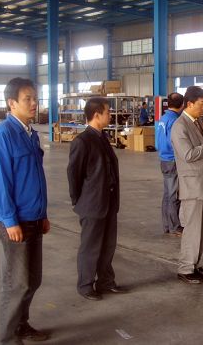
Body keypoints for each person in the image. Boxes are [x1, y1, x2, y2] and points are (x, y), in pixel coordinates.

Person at [0, 77, 50, 344]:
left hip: (34, 218)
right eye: (27, 99)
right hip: (15, 222)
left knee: (32, 280)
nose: (34, 103)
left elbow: (34, 179)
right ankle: (8, 339)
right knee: (16, 284)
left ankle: (21, 325)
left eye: (35, 98)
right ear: (11, 103)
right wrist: (9, 220)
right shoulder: (3, 134)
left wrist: (43, 214)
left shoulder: (30, 134)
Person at [67, 97, 125, 301]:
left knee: (108, 245)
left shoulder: (102, 137)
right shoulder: (82, 141)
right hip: (92, 203)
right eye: (108, 112)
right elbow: (74, 174)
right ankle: (85, 285)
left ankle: (106, 281)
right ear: (97, 115)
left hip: (108, 201)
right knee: (90, 247)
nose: (111, 115)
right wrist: (78, 200)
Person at [171, 86, 203, 284]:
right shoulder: (179, 126)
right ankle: (185, 268)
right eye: (202, 103)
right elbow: (188, 155)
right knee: (192, 228)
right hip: (192, 185)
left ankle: (194, 264)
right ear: (190, 103)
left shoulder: (196, 122)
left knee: (202, 229)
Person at [155, 92, 185, 236]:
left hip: (164, 159)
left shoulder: (163, 118)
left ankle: (167, 225)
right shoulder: (175, 121)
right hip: (172, 160)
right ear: (182, 105)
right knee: (174, 195)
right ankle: (174, 226)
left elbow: (158, 142)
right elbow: (174, 143)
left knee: (168, 193)